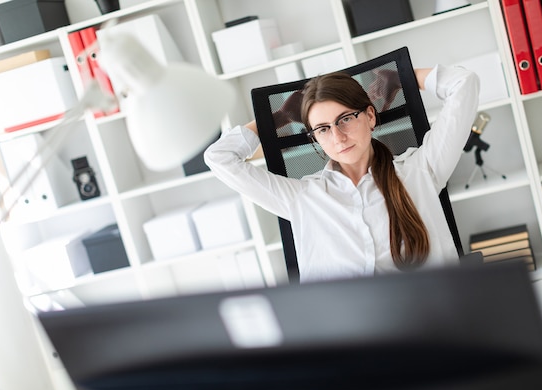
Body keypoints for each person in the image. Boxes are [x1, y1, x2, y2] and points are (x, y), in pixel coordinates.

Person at [204, 64, 479, 283]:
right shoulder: (303, 198)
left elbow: (463, 84)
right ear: (315, 138)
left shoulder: (421, 170)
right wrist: (278, 118)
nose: (337, 136)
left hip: (431, 335)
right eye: (323, 128)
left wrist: (399, 77)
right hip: (349, 343)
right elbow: (219, 158)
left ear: (370, 117)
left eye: (345, 119)